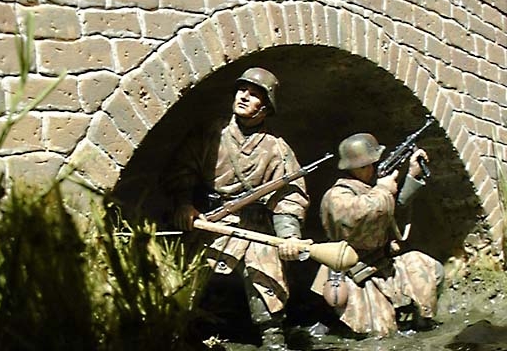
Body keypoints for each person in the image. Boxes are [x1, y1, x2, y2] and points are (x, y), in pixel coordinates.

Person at [165, 67, 309, 350]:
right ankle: (175, 331)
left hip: (255, 227)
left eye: (254, 95)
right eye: (242, 90)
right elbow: (182, 168)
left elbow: (289, 196)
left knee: (265, 271)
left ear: (265, 108)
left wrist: (289, 236)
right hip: (210, 222)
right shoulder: (211, 134)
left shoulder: (277, 148)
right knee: (187, 276)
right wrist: (184, 204)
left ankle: (272, 336)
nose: (244, 96)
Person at [312, 132, 444, 337]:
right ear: (356, 166)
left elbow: (390, 214)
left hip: (382, 265)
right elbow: (359, 215)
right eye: (368, 165)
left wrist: (412, 176)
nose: (373, 169)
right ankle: (334, 323)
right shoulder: (337, 195)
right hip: (354, 274)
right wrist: (383, 190)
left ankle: (420, 321)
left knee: (430, 268)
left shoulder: (371, 188)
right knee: (380, 334)